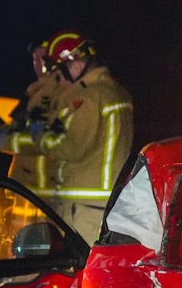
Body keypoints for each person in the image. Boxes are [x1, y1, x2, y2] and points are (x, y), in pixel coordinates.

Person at [18, 32, 133, 240]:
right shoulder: (114, 92)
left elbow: (71, 147)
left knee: (79, 260)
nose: (60, 81)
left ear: (77, 67)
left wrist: (40, 136)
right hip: (102, 202)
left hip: (85, 207)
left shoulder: (90, 97)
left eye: (60, 73)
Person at [0, 40, 66, 198]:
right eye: (35, 59)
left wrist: (2, 141)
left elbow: (46, 141)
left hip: (45, 191)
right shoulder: (32, 93)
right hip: (24, 187)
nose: (39, 64)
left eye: (44, 58)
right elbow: (19, 126)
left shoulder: (63, 94)